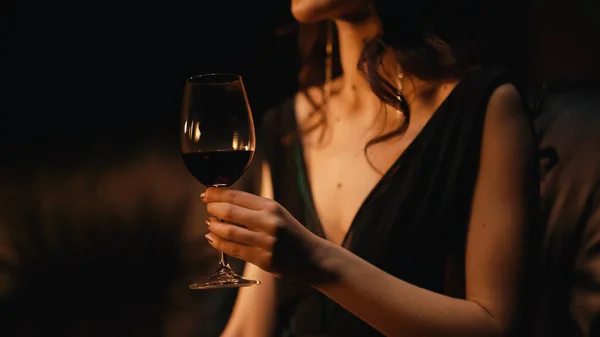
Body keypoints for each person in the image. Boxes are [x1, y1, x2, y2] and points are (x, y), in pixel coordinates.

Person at [202, 0, 539, 336]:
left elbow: (498, 325)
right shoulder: (289, 124)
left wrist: (318, 262)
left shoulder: (484, 108)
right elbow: (249, 327)